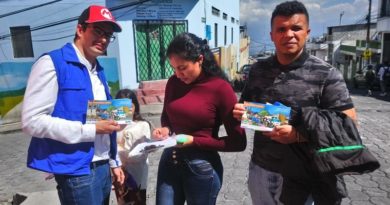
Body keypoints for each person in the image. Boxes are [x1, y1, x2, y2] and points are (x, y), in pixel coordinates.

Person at [233, 1, 357, 205]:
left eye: (296, 28)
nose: (288, 34)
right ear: (272, 35)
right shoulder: (258, 71)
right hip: (261, 170)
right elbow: (249, 110)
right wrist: (242, 112)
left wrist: (298, 135)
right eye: (281, 29)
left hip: (305, 174)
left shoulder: (327, 74)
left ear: (307, 32)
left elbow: (348, 123)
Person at [22, 5, 125, 205]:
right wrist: (91, 129)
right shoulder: (52, 63)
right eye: (98, 31)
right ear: (80, 29)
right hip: (77, 170)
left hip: (102, 166)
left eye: (108, 35)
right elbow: (31, 121)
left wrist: (114, 162)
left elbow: (101, 120)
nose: (104, 39)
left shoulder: (98, 70)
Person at [152, 32, 246, 205]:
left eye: (182, 68)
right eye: (174, 68)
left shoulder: (220, 88)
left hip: (201, 167)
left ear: (200, 59)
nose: (178, 74)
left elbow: (239, 143)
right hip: (169, 162)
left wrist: (194, 141)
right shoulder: (174, 82)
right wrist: (165, 129)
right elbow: (167, 115)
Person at [115, 89, 151, 205]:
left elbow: (143, 153)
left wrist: (121, 154)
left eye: (130, 106)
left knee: (137, 200)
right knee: (122, 201)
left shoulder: (142, 125)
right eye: (122, 106)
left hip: (137, 172)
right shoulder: (113, 126)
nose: (127, 110)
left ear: (135, 106)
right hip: (118, 172)